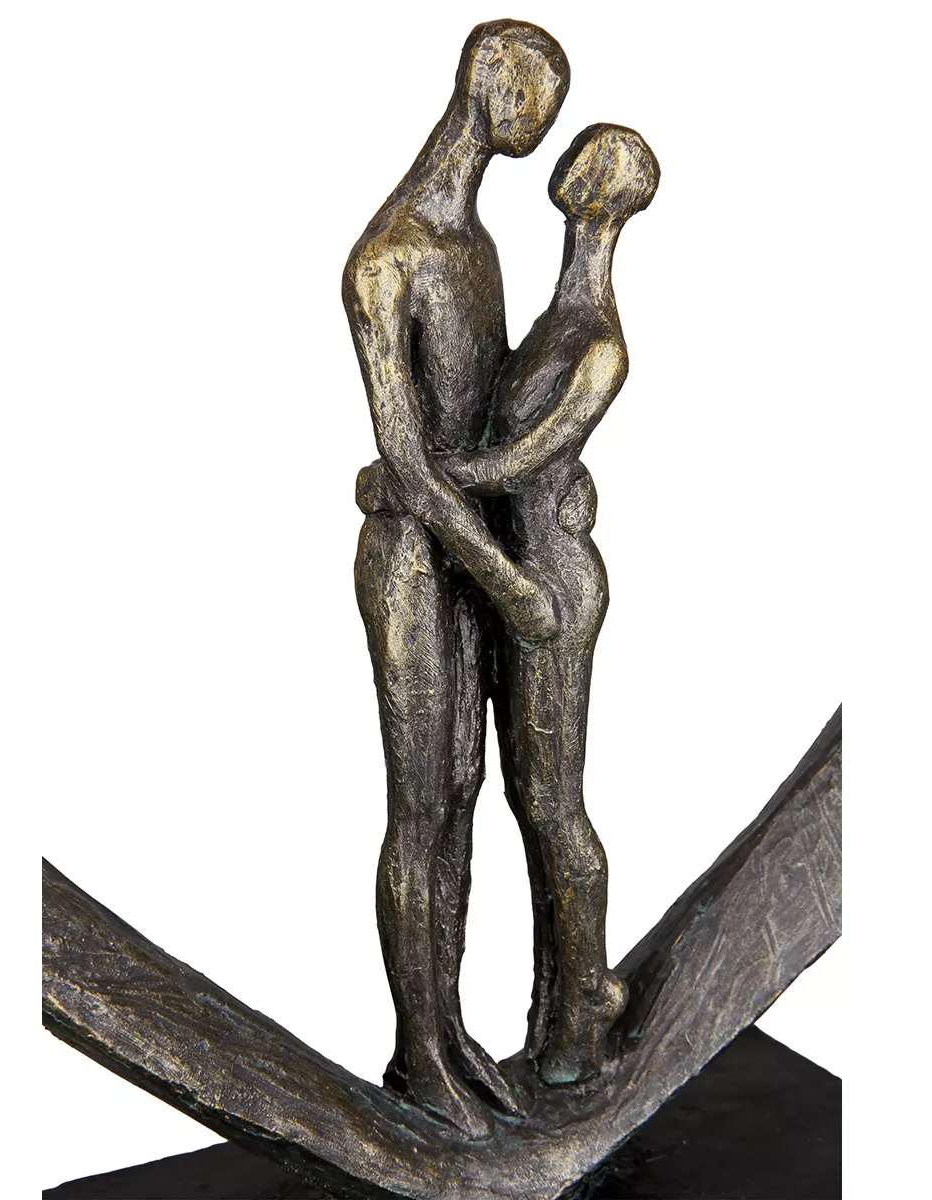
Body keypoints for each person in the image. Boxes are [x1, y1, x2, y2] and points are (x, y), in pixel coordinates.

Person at [361, 123, 660, 1085]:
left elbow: (519, 460)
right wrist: (423, 485)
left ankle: (583, 1004)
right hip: (509, 569)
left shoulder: (598, 342)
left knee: (548, 801)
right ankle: (529, 1021)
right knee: (498, 797)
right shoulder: (548, 313)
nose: (572, 161)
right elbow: (493, 440)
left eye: (596, 164)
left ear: (610, 200)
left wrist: (409, 477)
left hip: (550, 586)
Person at [343, 20, 569, 1136]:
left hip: (466, 549)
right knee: (421, 805)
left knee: (467, 793)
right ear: (491, 82)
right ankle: (417, 1051)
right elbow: (407, 466)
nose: (546, 121)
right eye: (539, 95)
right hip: (414, 561)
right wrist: (513, 584)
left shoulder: (476, 246)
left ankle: (447, 1030)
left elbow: (483, 425)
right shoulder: (387, 257)